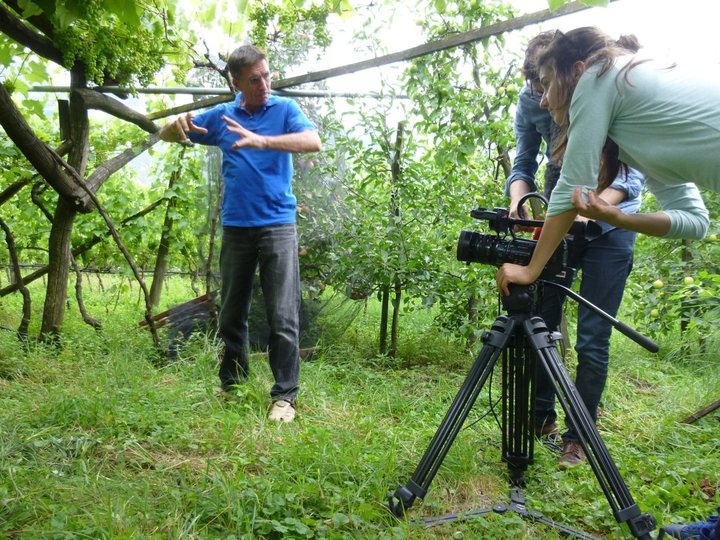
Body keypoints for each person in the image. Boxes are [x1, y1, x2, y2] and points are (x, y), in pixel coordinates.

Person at [159, 44, 322, 422]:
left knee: (283, 315)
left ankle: (285, 397)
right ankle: (232, 383)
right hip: (236, 227)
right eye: (255, 79)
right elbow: (172, 134)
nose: (264, 84)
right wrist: (174, 126)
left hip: (278, 226)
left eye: (267, 75)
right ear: (236, 83)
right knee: (232, 313)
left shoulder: (284, 110)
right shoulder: (221, 116)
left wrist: (263, 140)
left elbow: (313, 141)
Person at [506, 31, 644, 468]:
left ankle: (578, 436)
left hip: (611, 223)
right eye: (535, 88)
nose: (542, 98)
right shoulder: (531, 100)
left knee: (592, 336)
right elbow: (524, 163)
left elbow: (633, 172)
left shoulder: (608, 86)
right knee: (541, 321)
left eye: (546, 86)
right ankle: (540, 418)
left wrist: (599, 209)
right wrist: (519, 203)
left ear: (568, 74)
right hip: (560, 207)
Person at [496, 26, 712, 299]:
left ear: (576, 71)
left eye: (548, 83)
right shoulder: (636, 138)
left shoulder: (598, 74)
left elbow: (572, 186)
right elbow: (695, 221)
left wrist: (530, 269)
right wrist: (618, 216)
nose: (543, 102)